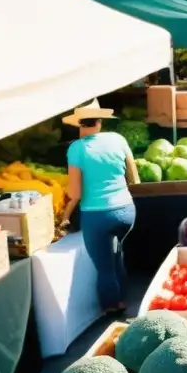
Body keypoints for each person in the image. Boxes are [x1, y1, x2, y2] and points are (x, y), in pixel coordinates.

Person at [61, 100, 139, 315]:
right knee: (117, 255)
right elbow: (134, 178)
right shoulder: (118, 139)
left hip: (97, 215)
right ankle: (123, 298)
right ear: (100, 120)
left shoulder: (77, 148)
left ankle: (112, 308)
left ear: (78, 124)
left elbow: (75, 194)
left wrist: (65, 215)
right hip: (126, 212)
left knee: (104, 267)